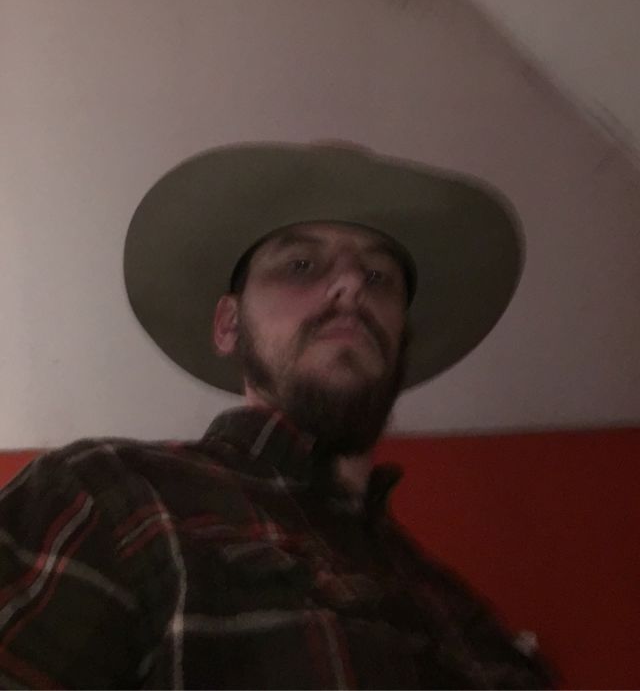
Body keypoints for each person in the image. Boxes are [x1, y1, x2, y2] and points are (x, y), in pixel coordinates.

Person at [0, 142, 553, 688]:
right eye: (301, 265)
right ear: (228, 325)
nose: (351, 284)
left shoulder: (459, 609)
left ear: (400, 338)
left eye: (378, 277)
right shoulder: (109, 496)